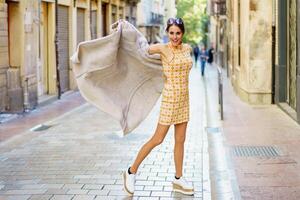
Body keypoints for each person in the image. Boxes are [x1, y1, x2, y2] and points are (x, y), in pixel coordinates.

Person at [123, 17, 194, 196]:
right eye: (171, 33)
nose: (175, 36)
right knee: (157, 139)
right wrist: (125, 36)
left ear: (183, 33)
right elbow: (140, 51)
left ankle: (178, 178)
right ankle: (131, 171)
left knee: (180, 141)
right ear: (167, 33)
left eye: (178, 33)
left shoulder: (187, 48)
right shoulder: (162, 48)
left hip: (184, 100)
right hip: (169, 100)